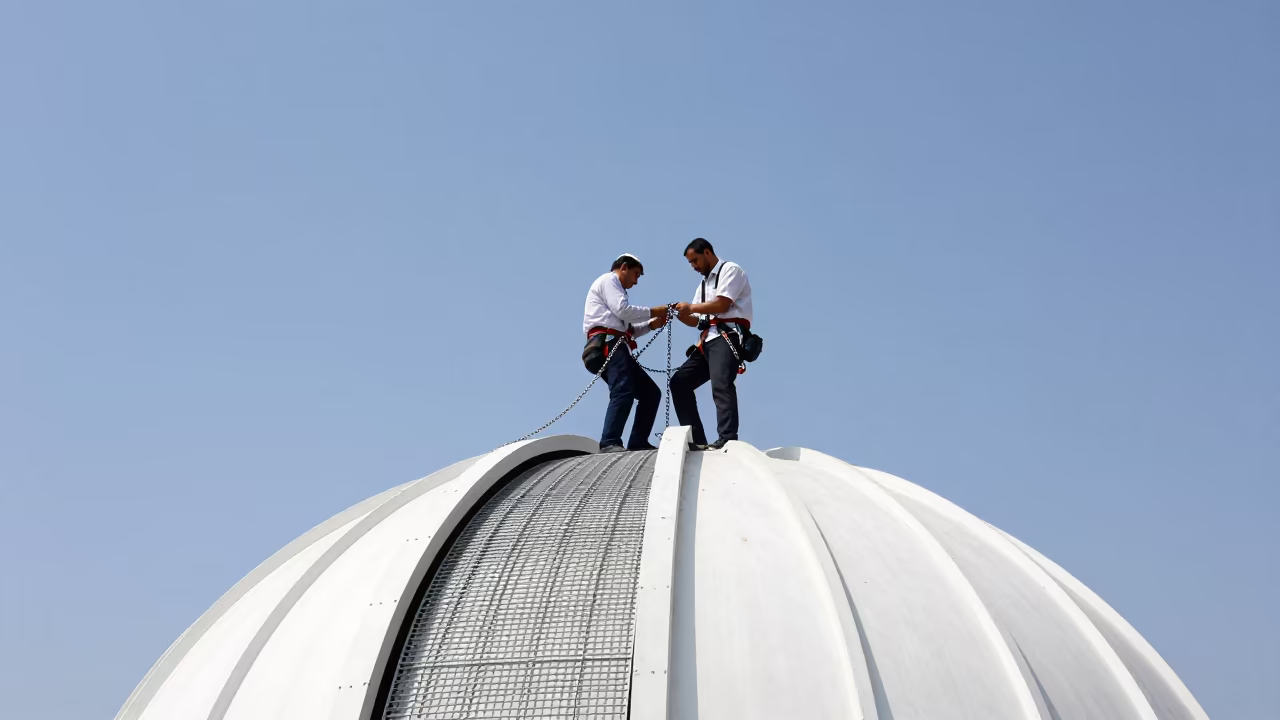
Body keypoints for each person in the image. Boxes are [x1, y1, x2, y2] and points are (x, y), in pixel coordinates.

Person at [671, 238, 753, 450]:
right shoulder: (703, 285)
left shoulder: (731, 270)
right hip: (707, 340)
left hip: (727, 337)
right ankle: (696, 440)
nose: (694, 267)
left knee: (721, 384)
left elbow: (723, 303)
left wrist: (691, 307)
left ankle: (727, 438)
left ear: (707, 252)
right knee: (679, 383)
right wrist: (680, 314)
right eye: (690, 263)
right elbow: (696, 319)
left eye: (695, 260)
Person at [583, 253, 669, 453]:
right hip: (609, 344)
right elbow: (623, 311)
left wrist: (651, 325)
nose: (636, 281)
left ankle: (638, 441)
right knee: (623, 390)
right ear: (623, 267)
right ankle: (609, 441)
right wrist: (656, 311)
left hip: (616, 344)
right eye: (636, 274)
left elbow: (628, 329)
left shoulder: (616, 290)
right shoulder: (609, 280)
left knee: (650, 393)